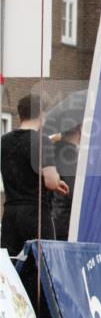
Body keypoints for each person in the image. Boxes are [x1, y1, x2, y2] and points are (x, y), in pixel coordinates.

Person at [1, 95, 69, 260]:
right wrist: (56, 179)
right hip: (35, 214)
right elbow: (51, 181)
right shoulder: (41, 140)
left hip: (10, 214)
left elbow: (20, 170)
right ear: (41, 114)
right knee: (42, 264)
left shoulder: (4, 141)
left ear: (20, 114)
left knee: (10, 266)